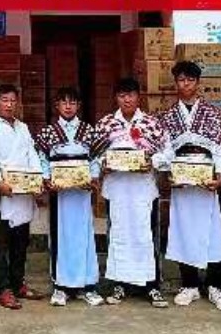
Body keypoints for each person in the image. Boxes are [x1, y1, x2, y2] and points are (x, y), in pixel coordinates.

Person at [156, 61, 221, 311]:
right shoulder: (167, 117)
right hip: (182, 183)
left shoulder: (213, 114)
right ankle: (189, 285)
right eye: (181, 80)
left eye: (190, 80)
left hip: (206, 181)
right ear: (176, 83)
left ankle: (216, 286)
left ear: (197, 83)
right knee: (183, 231)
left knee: (212, 234)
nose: (185, 84)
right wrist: (167, 173)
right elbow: (164, 152)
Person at [96, 77, 169, 308]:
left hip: (143, 190)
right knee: (118, 236)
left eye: (131, 95)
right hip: (117, 190)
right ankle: (119, 285)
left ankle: (152, 285)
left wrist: (153, 161)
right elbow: (94, 155)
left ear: (139, 97)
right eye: (121, 95)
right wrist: (103, 164)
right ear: (116, 98)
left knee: (146, 236)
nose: (126, 99)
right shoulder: (107, 123)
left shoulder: (151, 123)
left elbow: (168, 153)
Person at [35, 87, 106, 307]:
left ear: (78, 106)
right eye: (63, 102)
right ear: (56, 106)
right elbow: (41, 158)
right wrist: (47, 178)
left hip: (82, 192)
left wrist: (93, 177)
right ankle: (61, 286)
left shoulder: (88, 130)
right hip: (60, 194)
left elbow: (96, 158)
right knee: (59, 236)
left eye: (72, 102)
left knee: (85, 235)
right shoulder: (48, 132)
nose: (68, 106)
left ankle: (88, 285)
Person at [0, 84, 44, 309]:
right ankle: (3, 288)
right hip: (4, 193)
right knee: (1, 243)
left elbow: (32, 154)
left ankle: (18, 283)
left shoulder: (23, 128)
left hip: (23, 191)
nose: (9, 104)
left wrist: (37, 179)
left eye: (12, 100)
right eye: (4, 100)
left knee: (20, 241)